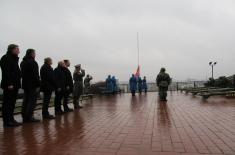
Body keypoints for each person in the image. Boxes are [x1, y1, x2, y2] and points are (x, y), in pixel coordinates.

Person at [0, 44, 22, 127]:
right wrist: (9, 83)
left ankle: (11, 119)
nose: (19, 50)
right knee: (7, 103)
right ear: (12, 49)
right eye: (17, 49)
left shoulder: (14, 59)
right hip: (10, 85)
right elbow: (6, 72)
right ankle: (7, 122)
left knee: (12, 103)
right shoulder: (6, 58)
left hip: (15, 84)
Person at [20, 49, 40, 122]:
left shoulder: (22, 62)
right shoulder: (33, 62)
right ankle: (29, 117)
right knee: (32, 101)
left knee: (25, 100)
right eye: (34, 53)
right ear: (31, 54)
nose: (35, 55)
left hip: (25, 84)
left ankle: (24, 116)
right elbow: (36, 75)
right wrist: (38, 84)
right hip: (32, 84)